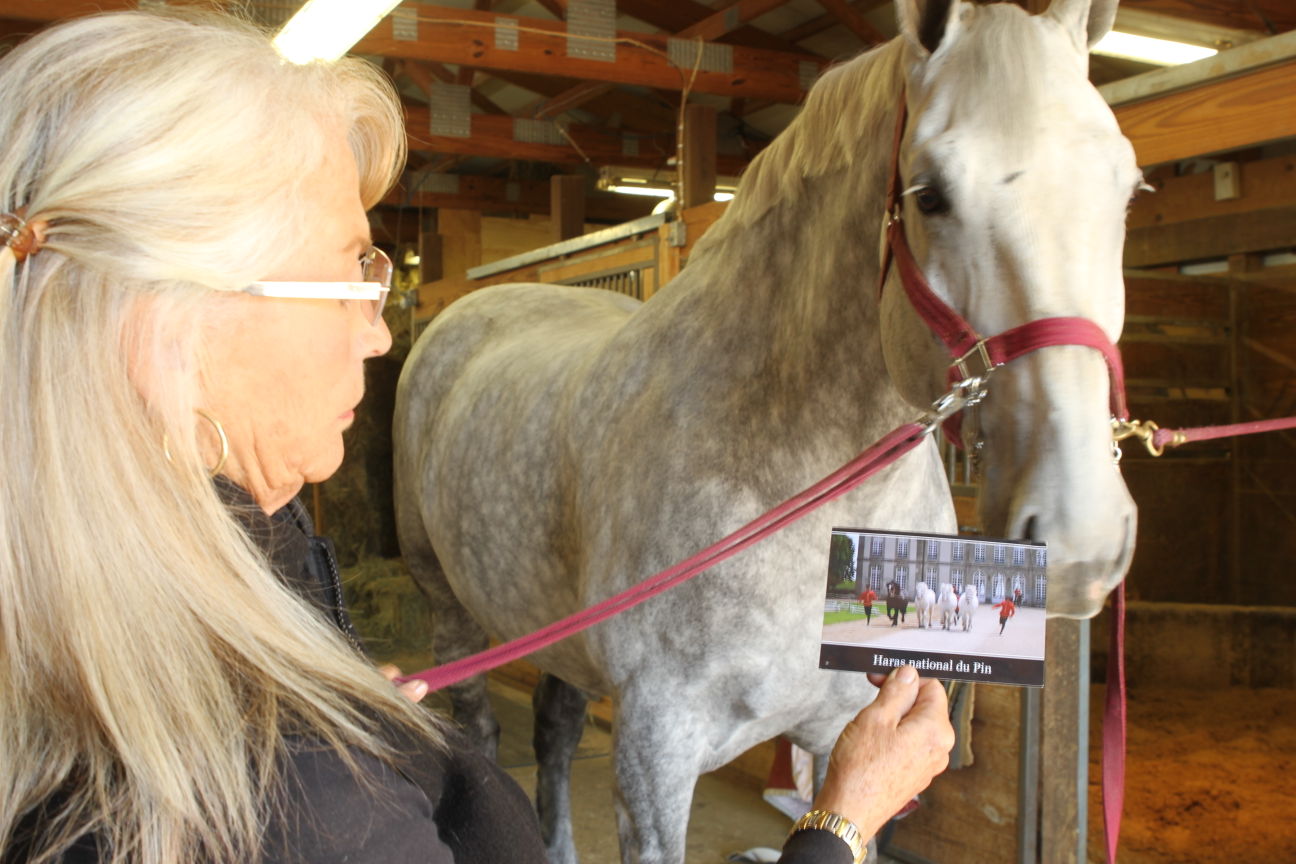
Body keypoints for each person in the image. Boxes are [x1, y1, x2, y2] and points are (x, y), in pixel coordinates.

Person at [0, 11, 954, 864]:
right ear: (172, 322)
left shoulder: (176, 587)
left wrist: (335, 694)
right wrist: (838, 825)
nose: (379, 329)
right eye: (351, 269)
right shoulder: (306, 806)